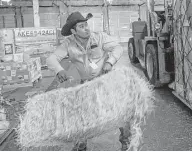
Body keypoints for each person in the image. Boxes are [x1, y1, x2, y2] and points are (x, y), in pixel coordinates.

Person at [46, 12, 130, 151]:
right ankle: (80, 146)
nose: (86, 28)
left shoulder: (99, 37)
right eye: (81, 26)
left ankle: (127, 143)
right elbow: (51, 59)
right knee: (80, 116)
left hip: (105, 81)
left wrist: (110, 62)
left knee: (120, 111)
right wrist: (59, 70)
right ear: (73, 31)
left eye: (86, 25)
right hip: (85, 85)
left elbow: (118, 47)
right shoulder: (68, 43)